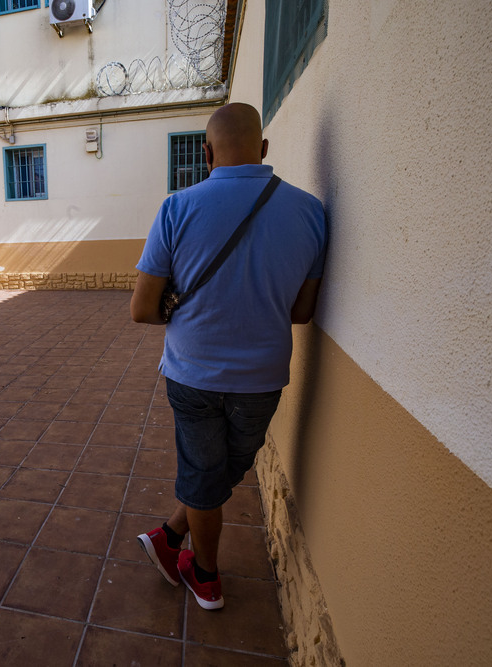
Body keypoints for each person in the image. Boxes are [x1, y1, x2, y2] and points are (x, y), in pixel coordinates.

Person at [131, 103, 327, 610]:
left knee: (204, 477)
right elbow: (302, 312)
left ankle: (196, 564)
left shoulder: (177, 208)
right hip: (262, 379)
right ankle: (195, 561)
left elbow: (141, 310)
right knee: (218, 472)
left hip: (191, 376)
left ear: (206, 152)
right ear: (264, 150)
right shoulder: (310, 213)